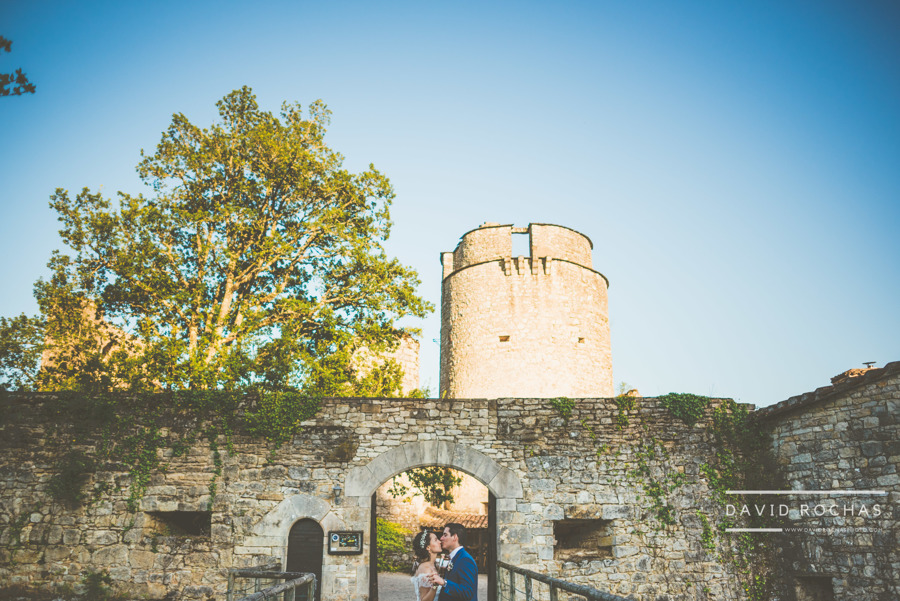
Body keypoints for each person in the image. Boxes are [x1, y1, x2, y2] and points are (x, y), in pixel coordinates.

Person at [429, 523, 478, 601]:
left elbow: (467, 592)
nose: (441, 538)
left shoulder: (465, 560)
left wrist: (444, 582)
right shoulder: (455, 557)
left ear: (455, 537)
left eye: (445, 535)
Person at [411, 530, 443, 601]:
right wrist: (434, 587)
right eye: (435, 540)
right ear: (428, 547)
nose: (440, 541)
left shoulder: (433, 565)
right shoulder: (426, 569)